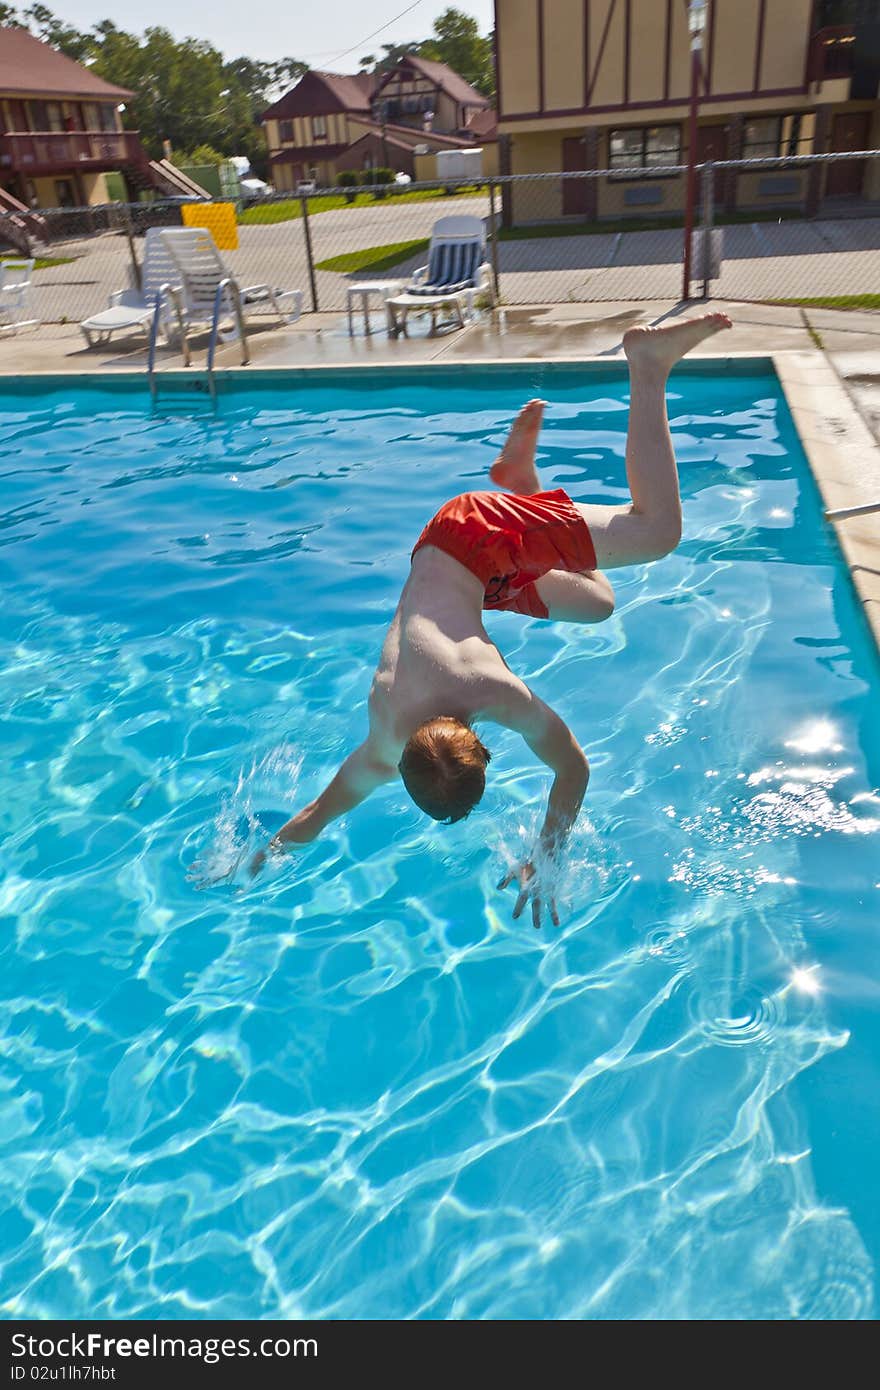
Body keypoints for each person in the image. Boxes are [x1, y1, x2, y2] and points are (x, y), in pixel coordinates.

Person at [251, 313, 733, 926]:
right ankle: (521, 483)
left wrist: (546, 853)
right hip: (462, 570)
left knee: (657, 532)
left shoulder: (491, 689)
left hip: (476, 539)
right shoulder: (384, 738)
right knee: (597, 604)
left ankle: (647, 365)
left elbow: (573, 766)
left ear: (479, 744)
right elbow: (317, 815)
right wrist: (262, 855)